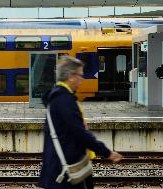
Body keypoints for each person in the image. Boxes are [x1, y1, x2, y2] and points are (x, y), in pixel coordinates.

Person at [39, 56, 122, 189]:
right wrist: (107, 152)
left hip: (58, 165)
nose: (82, 79)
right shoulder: (64, 99)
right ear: (71, 76)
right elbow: (80, 132)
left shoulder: (58, 96)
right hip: (66, 169)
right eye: (80, 75)